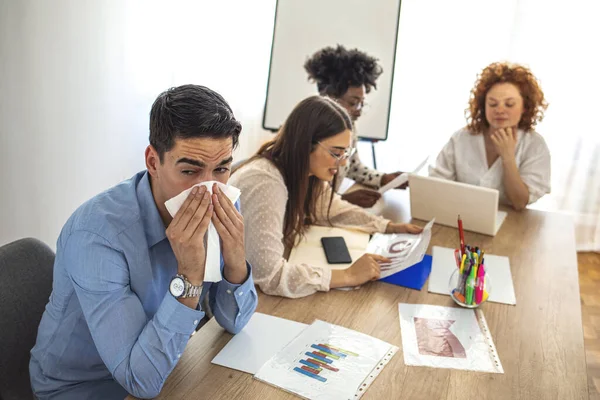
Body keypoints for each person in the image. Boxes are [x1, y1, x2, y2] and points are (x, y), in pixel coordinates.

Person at [29, 85, 258, 399]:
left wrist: (235, 259)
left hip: (170, 364)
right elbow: (139, 382)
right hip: (86, 389)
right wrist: (189, 276)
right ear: (153, 161)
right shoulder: (96, 235)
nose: (207, 188)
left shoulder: (224, 202)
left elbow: (234, 322)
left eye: (221, 169)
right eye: (190, 170)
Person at [229, 96, 422, 298]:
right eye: (336, 153)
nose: (342, 163)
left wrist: (388, 226)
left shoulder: (305, 173)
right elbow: (270, 275)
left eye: (346, 152)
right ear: (305, 144)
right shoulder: (265, 182)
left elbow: (332, 208)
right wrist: (347, 275)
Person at [429, 62, 551, 210]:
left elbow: (519, 202)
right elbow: (436, 186)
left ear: (525, 107)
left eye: (509, 104)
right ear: (483, 105)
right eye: (492, 104)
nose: (499, 110)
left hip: (512, 226)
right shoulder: (462, 138)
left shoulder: (535, 145)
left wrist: (508, 157)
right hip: (461, 219)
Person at [304, 45, 405, 208]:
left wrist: (383, 179)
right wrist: (343, 200)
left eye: (361, 104)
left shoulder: (347, 127)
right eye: (353, 103)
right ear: (328, 97)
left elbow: (352, 166)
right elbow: (300, 199)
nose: (359, 111)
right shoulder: (308, 131)